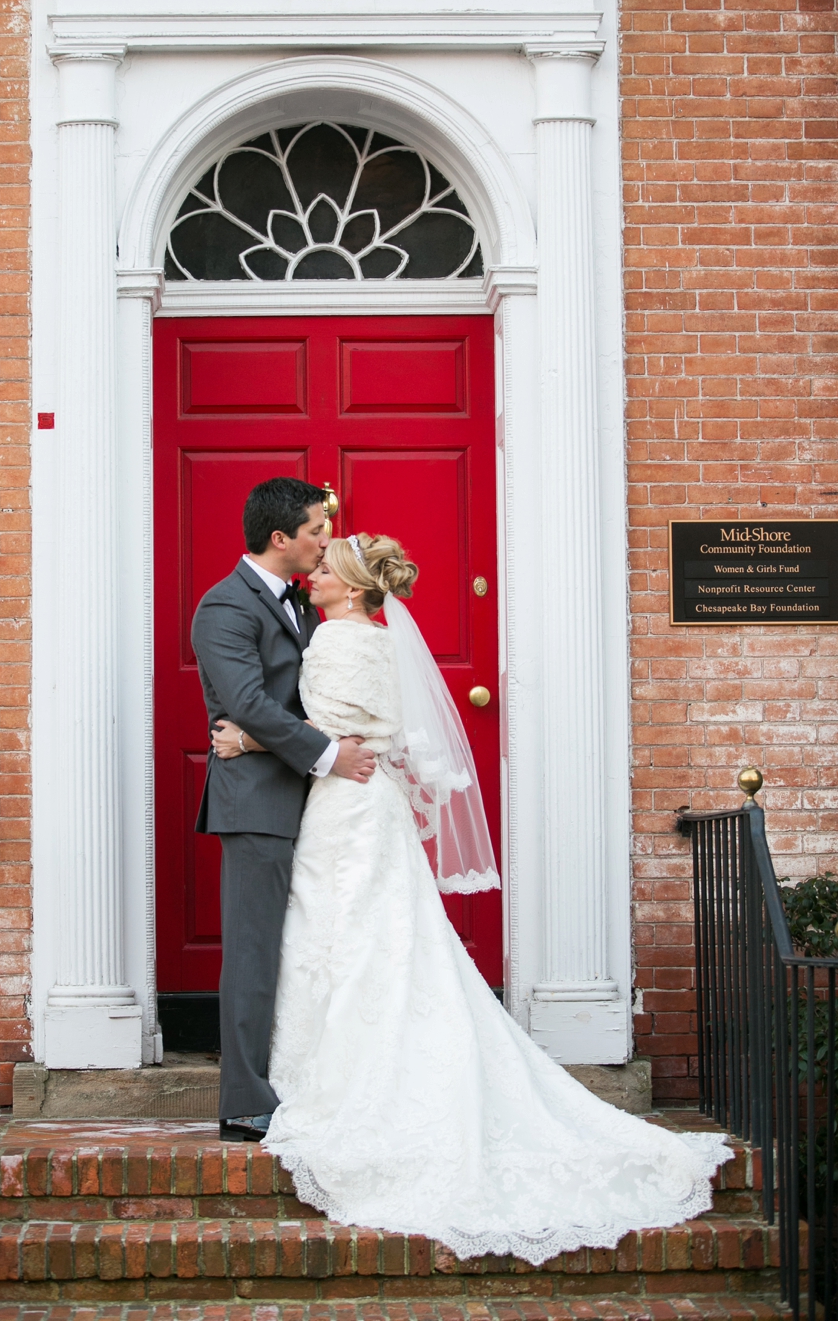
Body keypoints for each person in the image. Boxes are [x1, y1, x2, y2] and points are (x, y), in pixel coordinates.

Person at [210, 531, 730, 1263]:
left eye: (326, 568)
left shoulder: (332, 643)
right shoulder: (381, 639)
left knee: (344, 937)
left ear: (353, 588)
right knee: (381, 942)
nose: (313, 573)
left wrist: (250, 742)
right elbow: (366, 736)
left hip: (343, 808)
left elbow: (330, 733)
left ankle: (341, 1077)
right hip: (369, 805)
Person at [190, 479, 377, 1143]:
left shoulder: (300, 606)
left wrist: (268, 737)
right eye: (316, 531)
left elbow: (296, 702)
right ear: (281, 538)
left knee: (307, 947)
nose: (326, 541)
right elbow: (249, 702)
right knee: (252, 950)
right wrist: (328, 754)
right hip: (257, 804)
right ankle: (243, 1099)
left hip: (313, 804)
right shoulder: (224, 608)